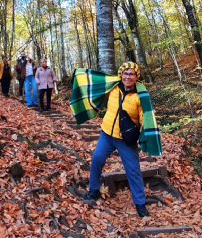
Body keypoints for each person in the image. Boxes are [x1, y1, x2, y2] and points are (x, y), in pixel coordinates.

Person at [69, 62, 162, 218]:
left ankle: (140, 203)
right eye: (125, 73)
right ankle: (94, 190)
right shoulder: (112, 87)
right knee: (97, 159)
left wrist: (144, 135)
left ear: (136, 76)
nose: (128, 77)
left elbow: (144, 116)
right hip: (107, 134)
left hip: (126, 139)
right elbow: (96, 87)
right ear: (121, 75)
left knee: (133, 170)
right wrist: (81, 78)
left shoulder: (141, 95)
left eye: (131, 74)